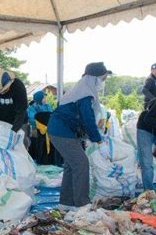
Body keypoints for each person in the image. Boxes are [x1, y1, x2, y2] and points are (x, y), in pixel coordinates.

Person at [47, 62, 112, 209]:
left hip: (61, 131)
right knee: (81, 163)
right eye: (103, 79)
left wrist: (91, 135)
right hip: (61, 132)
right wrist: (99, 141)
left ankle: (66, 202)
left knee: (72, 165)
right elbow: (87, 120)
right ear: (94, 78)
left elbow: (83, 119)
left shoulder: (82, 90)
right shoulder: (85, 94)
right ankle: (82, 204)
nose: (103, 82)